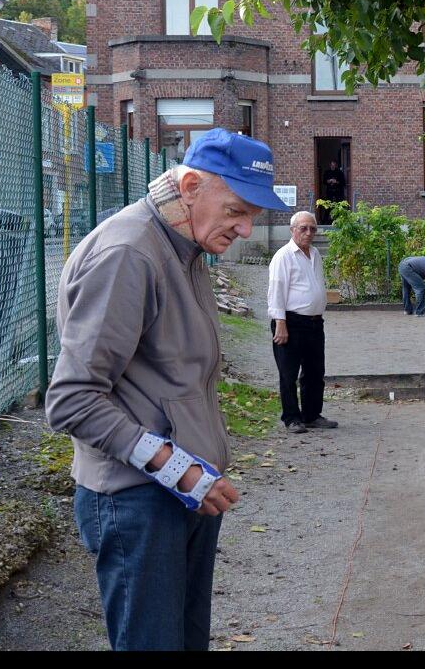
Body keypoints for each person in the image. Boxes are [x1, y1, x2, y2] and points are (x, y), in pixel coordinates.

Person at [45, 128, 290, 650]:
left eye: (253, 215)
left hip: (183, 496)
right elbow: (71, 399)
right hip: (137, 503)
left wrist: (192, 478)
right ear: (192, 185)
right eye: (236, 210)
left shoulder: (183, 245)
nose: (246, 229)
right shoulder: (130, 254)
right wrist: (178, 469)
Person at [269, 210, 339, 433]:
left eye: (312, 228)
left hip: (314, 323)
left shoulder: (315, 253)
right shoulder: (283, 256)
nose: (308, 233)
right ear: (293, 230)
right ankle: (291, 418)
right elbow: (276, 290)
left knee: (315, 371)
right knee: (288, 373)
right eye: (303, 228)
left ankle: (311, 414)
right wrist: (280, 321)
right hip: (290, 322)